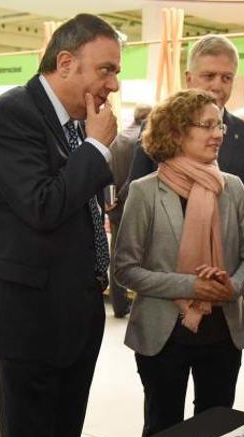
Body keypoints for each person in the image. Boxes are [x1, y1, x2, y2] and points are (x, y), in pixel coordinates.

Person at [0, 14, 119, 437]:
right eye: (105, 69)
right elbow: (43, 205)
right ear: (66, 63)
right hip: (31, 318)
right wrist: (96, 147)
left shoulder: (71, 122)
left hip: (74, 308)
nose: (113, 83)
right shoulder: (14, 114)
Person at [114, 89, 244, 437]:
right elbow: (125, 269)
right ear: (177, 132)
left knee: (217, 434)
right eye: (207, 125)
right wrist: (191, 286)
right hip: (164, 336)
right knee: (161, 431)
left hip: (223, 332)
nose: (218, 134)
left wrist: (231, 286)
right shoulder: (145, 191)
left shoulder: (233, 188)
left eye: (220, 125)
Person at [128, 34, 244, 311]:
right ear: (189, 77)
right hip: (165, 290)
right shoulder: (157, 129)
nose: (218, 85)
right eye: (209, 75)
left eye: (227, 77)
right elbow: (135, 199)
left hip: (230, 288)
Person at [107, 103, 151, 317]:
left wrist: (111, 200)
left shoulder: (117, 138)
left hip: (115, 204)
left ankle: (118, 304)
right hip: (135, 202)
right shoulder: (144, 141)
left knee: (116, 255)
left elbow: (107, 173)